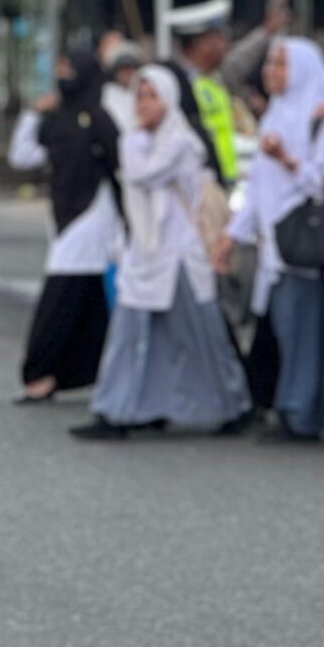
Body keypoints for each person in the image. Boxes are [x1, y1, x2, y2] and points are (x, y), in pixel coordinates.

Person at [73, 65, 251, 441]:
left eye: (153, 96)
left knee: (202, 335)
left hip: (180, 256)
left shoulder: (180, 142)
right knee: (129, 336)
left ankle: (232, 404)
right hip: (145, 254)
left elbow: (143, 174)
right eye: (139, 96)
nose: (143, 104)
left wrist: (131, 141)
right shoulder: (139, 140)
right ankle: (116, 410)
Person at [215, 37, 324, 443]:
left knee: (305, 336)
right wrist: (231, 236)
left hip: (305, 247)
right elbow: (259, 190)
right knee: (291, 333)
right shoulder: (277, 117)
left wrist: (289, 162)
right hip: (278, 249)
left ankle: (301, 414)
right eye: (270, 64)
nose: (270, 73)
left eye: (280, 65)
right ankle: (296, 409)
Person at [7, 48, 121, 402]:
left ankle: (40, 370)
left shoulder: (100, 118)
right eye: (61, 68)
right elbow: (22, 155)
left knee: (63, 294)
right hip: (65, 214)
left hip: (94, 215)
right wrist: (32, 113)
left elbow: (121, 167)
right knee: (88, 300)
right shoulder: (57, 120)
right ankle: (79, 373)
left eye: (70, 68)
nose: (64, 75)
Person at [163, 0, 241, 184]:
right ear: (200, 44)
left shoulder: (212, 82)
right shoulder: (178, 86)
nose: (225, 45)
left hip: (223, 179)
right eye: (219, 38)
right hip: (198, 183)